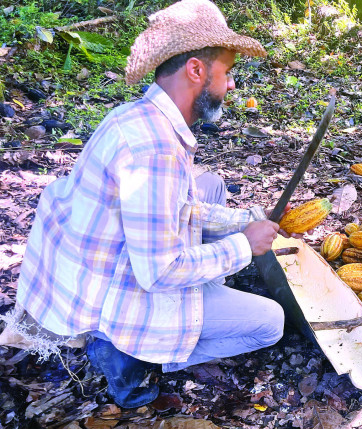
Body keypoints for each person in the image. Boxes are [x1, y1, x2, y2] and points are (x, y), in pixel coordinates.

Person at [12, 0, 294, 408]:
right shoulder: (155, 152)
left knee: (210, 186)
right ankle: (132, 354)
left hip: (101, 261)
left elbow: (179, 208)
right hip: (116, 294)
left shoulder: (139, 116)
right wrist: (243, 246)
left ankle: (182, 312)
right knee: (270, 323)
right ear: (197, 70)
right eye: (227, 73)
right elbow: (161, 272)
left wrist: (246, 220)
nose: (231, 86)